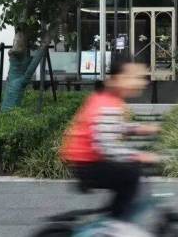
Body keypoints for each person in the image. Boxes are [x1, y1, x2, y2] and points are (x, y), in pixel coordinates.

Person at [60, 60, 159, 229]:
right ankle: (115, 227)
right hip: (88, 164)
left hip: (87, 161)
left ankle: (114, 219)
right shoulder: (107, 105)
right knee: (131, 175)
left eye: (142, 77)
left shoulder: (108, 99)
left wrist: (140, 129)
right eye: (134, 77)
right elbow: (107, 146)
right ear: (117, 79)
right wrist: (139, 156)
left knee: (129, 177)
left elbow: (112, 127)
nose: (141, 82)